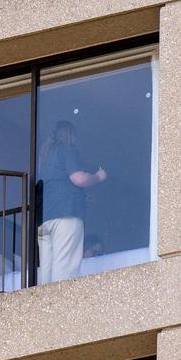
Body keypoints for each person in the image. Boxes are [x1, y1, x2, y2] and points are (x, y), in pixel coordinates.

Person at [37, 120, 107, 284]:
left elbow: (57, 185)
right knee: (64, 266)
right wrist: (98, 176)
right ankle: (60, 306)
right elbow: (79, 179)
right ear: (69, 135)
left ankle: (43, 305)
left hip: (44, 219)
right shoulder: (66, 150)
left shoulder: (45, 158)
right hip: (66, 216)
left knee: (46, 269)